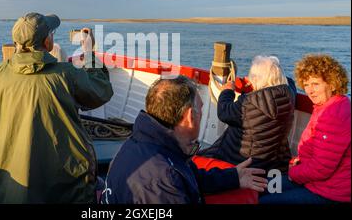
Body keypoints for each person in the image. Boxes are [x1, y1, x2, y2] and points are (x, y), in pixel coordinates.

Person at [0, 12, 113, 203]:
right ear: (47, 43)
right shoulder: (67, 75)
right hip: (69, 186)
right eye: (51, 33)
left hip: (12, 189)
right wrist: (89, 52)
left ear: (16, 43)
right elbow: (102, 90)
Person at [101, 75, 268, 204]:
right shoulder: (164, 181)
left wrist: (233, 177)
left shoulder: (143, 144)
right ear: (190, 117)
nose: (202, 115)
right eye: (200, 110)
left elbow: (190, 176)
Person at [260, 54, 350, 204]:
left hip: (330, 192)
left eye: (315, 84)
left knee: (264, 200)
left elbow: (321, 168)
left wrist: (292, 173)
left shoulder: (334, 114)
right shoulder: (326, 105)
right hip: (313, 181)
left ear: (333, 84)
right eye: (306, 85)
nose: (310, 91)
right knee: (260, 187)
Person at [199, 56, 296, 172]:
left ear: (256, 79)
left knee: (195, 160)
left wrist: (227, 91)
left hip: (241, 161)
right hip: (273, 164)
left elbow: (224, 112)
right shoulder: (290, 95)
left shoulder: (249, 102)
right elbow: (290, 81)